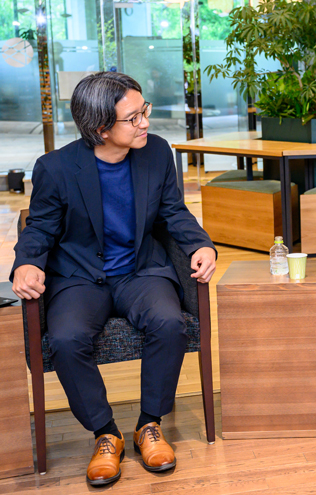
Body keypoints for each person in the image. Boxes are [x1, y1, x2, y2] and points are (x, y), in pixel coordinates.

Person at [11, 72, 217, 487]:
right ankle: (105, 433)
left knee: (169, 322)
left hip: (141, 270)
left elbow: (173, 211)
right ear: (101, 128)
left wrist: (201, 244)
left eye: (145, 111)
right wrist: (26, 262)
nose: (145, 123)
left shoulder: (156, 153)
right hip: (81, 276)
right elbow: (41, 228)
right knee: (66, 339)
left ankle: (149, 425)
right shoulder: (56, 167)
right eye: (133, 117)